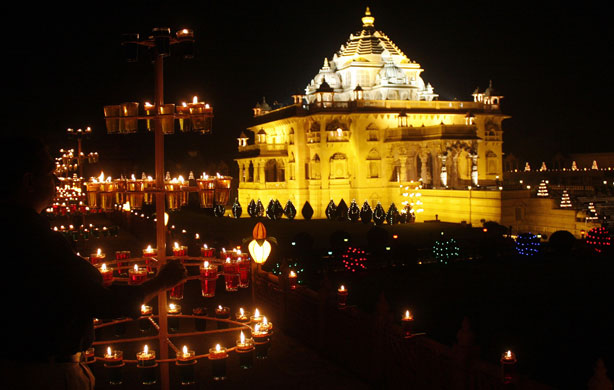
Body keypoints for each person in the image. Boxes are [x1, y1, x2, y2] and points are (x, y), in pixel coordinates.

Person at [0, 136, 187, 389]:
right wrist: (160, 283)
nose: (57, 182)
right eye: (51, 173)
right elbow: (100, 301)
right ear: (29, 181)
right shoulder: (32, 238)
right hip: (44, 373)